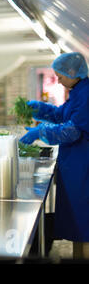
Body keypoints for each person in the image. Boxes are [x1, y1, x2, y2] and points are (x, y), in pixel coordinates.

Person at [20, 52, 89, 259]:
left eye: (60, 76)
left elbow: (72, 131)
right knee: (79, 227)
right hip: (76, 166)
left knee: (85, 226)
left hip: (84, 168)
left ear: (72, 72)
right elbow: (62, 114)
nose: (58, 80)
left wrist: (40, 132)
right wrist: (40, 109)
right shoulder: (78, 91)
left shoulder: (86, 94)